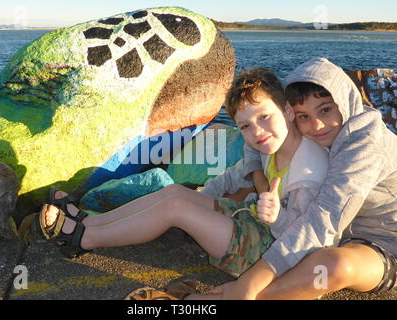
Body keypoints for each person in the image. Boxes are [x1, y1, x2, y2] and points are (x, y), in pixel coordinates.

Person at [37, 68, 329, 298]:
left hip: (269, 253)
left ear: (288, 112)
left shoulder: (308, 169)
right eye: (245, 126)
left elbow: (305, 239)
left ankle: (83, 240)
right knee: (175, 192)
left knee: (175, 208)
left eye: (264, 117)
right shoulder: (275, 145)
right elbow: (234, 174)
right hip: (254, 223)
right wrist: (205, 198)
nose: (257, 131)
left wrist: (276, 217)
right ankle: (89, 222)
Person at [206, 58, 397, 300]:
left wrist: (251, 282)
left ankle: (234, 297)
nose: (317, 125)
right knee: (238, 196)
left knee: (335, 266)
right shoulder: (326, 128)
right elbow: (258, 134)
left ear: (344, 101)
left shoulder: (364, 143)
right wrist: (259, 179)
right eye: (303, 116)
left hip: (383, 243)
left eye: (326, 109)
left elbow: (325, 218)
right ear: (289, 113)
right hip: (341, 233)